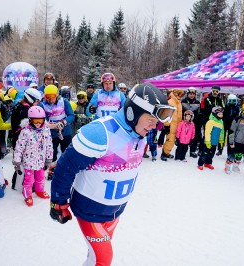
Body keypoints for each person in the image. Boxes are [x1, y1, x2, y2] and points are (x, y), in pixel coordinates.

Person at [50, 82, 175, 266]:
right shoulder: (100, 133)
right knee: (102, 260)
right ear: (133, 112)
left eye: (156, 121)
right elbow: (65, 167)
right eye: (150, 119)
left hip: (115, 211)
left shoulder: (139, 133)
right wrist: (59, 202)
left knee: (94, 256)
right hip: (90, 211)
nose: (153, 126)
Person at [13, 106, 53, 206]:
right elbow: (19, 147)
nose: (38, 123)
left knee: (41, 177)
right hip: (29, 162)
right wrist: (17, 161)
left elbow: (49, 145)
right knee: (29, 180)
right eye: (35, 120)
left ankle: (39, 191)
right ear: (30, 120)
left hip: (41, 161)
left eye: (40, 120)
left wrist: (49, 158)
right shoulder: (25, 132)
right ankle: (27, 195)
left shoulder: (46, 130)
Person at [10, 88, 42, 189]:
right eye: (36, 101)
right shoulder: (26, 110)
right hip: (22, 140)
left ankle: (17, 183)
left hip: (18, 138)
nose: (37, 104)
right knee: (26, 161)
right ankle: (22, 184)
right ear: (31, 99)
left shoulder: (19, 105)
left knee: (21, 161)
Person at [41, 85, 75, 180]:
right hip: (51, 133)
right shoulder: (43, 104)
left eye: (52, 98)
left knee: (67, 151)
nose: (50, 100)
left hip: (65, 131)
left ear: (57, 95)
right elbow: (41, 118)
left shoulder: (64, 102)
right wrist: (48, 123)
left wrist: (64, 122)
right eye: (48, 98)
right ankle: (52, 168)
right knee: (52, 152)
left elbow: (71, 115)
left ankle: (66, 169)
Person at [161, 89, 183, 161]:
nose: (180, 96)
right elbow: (166, 114)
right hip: (170, 125)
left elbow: (179, 115)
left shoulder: (179, 103)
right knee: (170, 140)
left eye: (181, 95)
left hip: (177, 125)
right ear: (176, 94)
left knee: (172, 141)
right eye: (179, 95)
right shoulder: (170, 102)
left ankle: (167, 152)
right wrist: (166, 125)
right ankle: (164, 153)